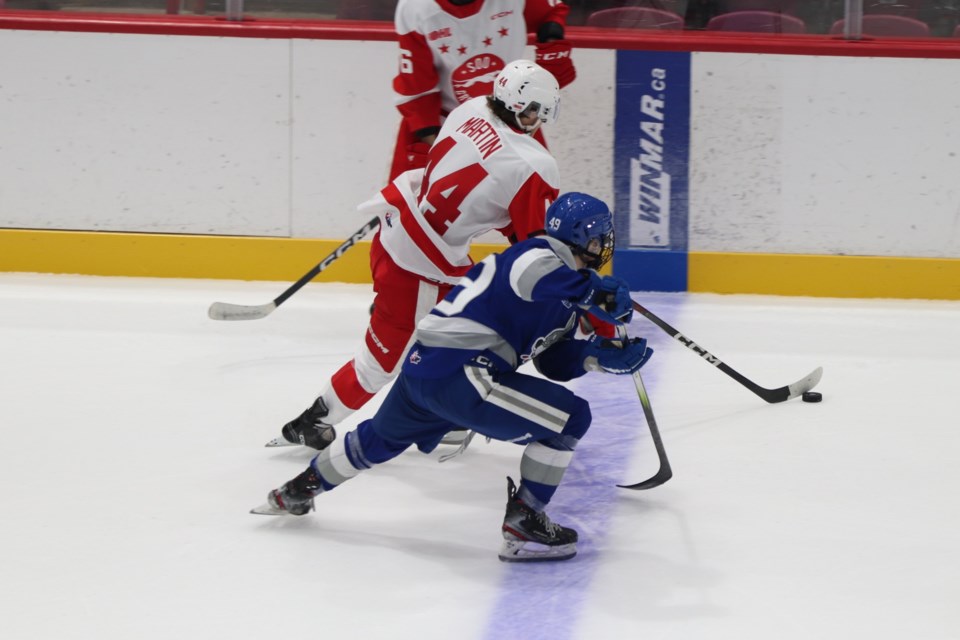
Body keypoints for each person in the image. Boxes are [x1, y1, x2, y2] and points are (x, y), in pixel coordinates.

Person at [252, 192, 654, 563]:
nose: (604, 247)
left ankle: (297, 490)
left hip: (425, 373)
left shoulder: (565, 296)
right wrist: (597, 295)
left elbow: (552, 362)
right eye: (600, 239)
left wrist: (597, 357)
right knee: (572, 419)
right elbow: (535, 277)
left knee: (378, 439)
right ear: (583, 239)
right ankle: (525, 523)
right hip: (464, 372)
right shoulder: (539, 255)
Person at [267, 60, 564, 451]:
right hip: (421, 269)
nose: (536, 120)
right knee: (382, 364)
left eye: (542, 113)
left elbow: (493, 196)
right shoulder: (535, 164)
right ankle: (313, 422)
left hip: (397, 233)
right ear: (513, 101)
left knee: (471, 335)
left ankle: (448, 417)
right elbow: (531, 247)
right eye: (532, 110)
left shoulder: (470, 108)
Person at [389, 0, 577, 180]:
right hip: (443, 128)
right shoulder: (415, 7)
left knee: (532, 203)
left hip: (511, 123)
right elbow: (418, 91)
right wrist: (447, 154)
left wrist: (552, 40)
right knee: (413, 209)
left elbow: (550, 12)